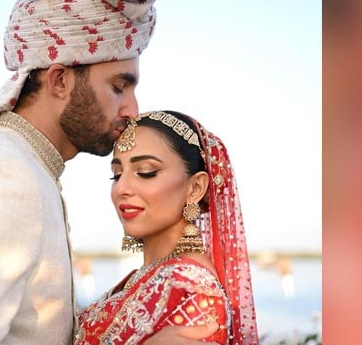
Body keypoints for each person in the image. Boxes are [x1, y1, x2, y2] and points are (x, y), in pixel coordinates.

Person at [0, 0, 216, 344]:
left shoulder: (32, 167)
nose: (132, 109)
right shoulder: (2, 175)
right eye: (118, 86)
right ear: (59, 80)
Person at [74, 110, 260, 345]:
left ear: (195, 188)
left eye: (146, 172)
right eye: (117, 174)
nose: (122, 188)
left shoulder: (193, 290)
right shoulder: (148, 275)